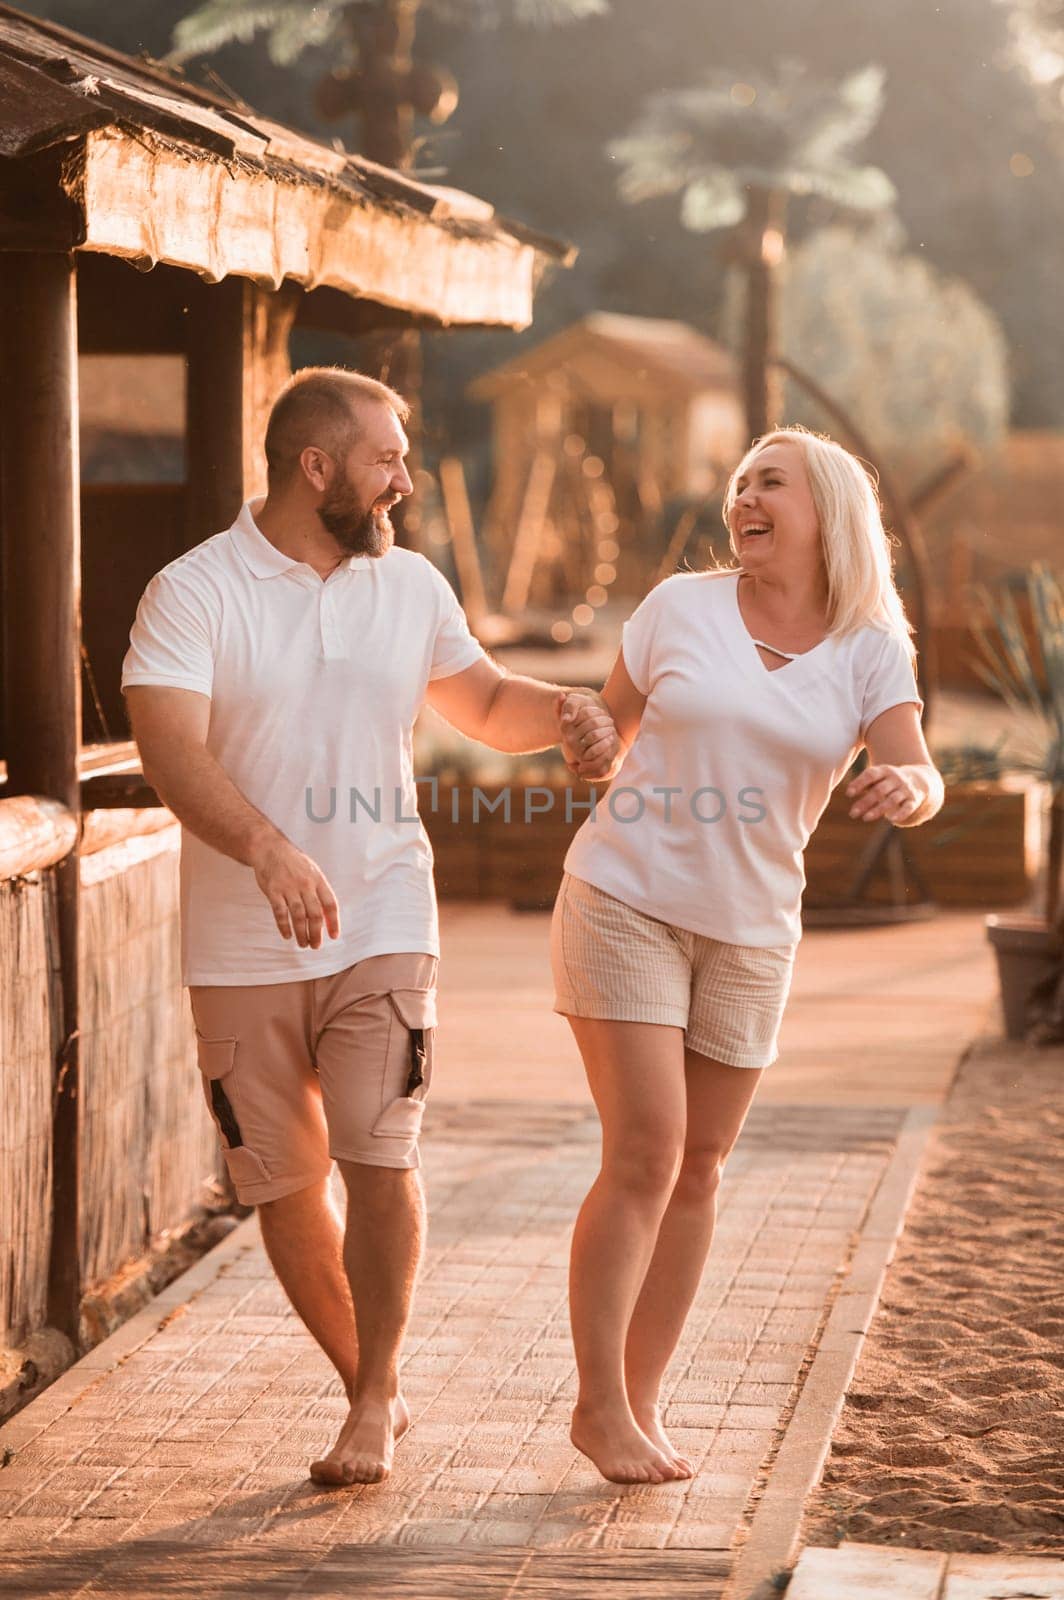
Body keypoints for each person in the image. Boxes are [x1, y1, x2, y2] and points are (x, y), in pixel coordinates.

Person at [121, 367, 616, 1488]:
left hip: (385, 913)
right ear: (317, 467)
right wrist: (265, 847)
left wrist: (567, 713)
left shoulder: (410, 586)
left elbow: (482, 700)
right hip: (240, 939)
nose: (405, 479)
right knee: (284, 1185)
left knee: (376, 1153)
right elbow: (170, 750)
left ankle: (378, 1390)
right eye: (386, 458)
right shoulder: (193, 592)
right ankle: (368, 1395)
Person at [550, 425, 945, 1486]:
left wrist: (908, 789)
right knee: (645, 1149)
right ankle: (595, 1406)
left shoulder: (870, 645)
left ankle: (637, 1400)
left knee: (699, 1168)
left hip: (753, 928)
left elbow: (917, 768)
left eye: (767, 482)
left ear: (825, 508)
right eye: (736, 485)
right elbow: (606, 735)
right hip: (624, 897)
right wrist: (588, 732)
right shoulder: (676, 608)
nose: (743, 500)